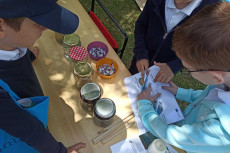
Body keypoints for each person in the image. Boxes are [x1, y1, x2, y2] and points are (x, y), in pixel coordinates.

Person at [137, 1, 230, 153]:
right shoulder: (225, 77)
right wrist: (180, 92)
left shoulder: (222, 131)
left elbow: (172, 136)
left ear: (216, 77)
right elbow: (208, 97)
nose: (187, 71)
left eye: (188, 70)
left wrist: (145, 107)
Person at [0, 0, 86, 152]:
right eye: (38, 22)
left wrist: (27, 56)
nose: (46, 27)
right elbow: (29, 130)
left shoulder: (12, 44)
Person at [129, 0, 220, 83]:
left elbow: (201, 49)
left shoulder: (212, 12)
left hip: (165, 67)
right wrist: (140, 52)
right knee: (130, 81)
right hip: (141, 56)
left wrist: (175, 66)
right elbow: (141, 24)